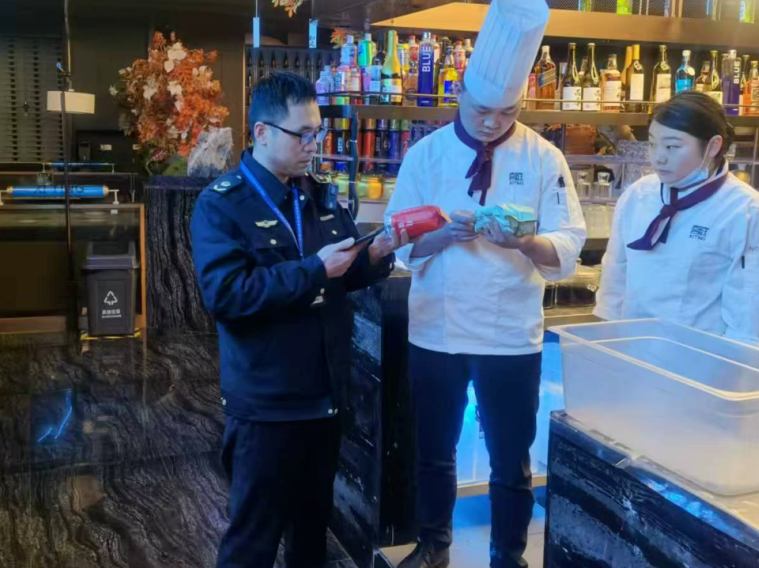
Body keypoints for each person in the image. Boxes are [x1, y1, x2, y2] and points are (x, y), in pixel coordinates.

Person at [386, 1, 586, 566]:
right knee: (434, 451)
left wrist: (523, 243)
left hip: (510, 335)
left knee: (511, 459)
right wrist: (443, 236)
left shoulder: (544, 158)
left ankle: (508, 555)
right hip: (437, 329)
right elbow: (399, 243)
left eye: (506, 111)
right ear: (460, 95)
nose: (492, 122)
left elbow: (568, 243)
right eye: (481, 110)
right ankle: (433, 545)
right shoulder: (425, 156)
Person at [190, 71, 398, 568]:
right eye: (302, 135)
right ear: (262, 133)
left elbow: (342, 275)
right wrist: (313, 270)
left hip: (323, 397)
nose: (313, 146)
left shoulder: (318, 195)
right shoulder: (222, 205)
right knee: (252, 540)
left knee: (310, 536)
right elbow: (227, 295)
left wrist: (378, 253)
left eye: (317, 133)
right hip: (266, 405)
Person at [595, 91, 759, 344]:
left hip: (701, 359)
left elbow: (750, 318)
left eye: (672, 146)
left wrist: (730, 364)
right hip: (633, 350)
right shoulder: (638, 195)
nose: (658, 156)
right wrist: (606, 345)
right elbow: (615, 277)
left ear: (713, 146)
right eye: (652, 143)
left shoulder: (748, 212)